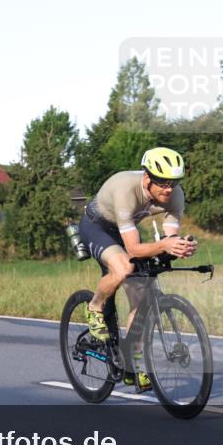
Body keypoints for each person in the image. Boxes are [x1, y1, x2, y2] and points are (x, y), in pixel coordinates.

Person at [78, 147, 197, 389]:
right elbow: (132, 250)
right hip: (97, 227)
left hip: (125, 230)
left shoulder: (176, 196)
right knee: (123, 269)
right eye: (162, 182)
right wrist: (164, 245)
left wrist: (180, 246)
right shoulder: (126, 189)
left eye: (173, 182)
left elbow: (170, 236)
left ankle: (134, 360)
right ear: (147, 178)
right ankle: (94, 306)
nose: (168, 188)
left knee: (141, 295)